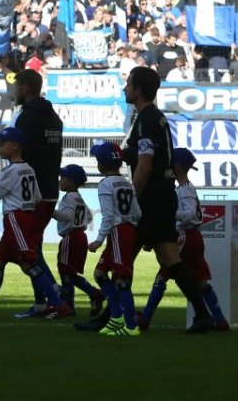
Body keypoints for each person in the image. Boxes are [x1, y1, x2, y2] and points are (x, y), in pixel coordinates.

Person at [118, 66, 213, 333]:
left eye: (128, 84)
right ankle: (204, 315)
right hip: (162, 196)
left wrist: (132, 198)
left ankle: (114, 316)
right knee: (170, 258)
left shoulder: (148, 118)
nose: (125, 88)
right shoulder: (153, 117)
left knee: (122, 255)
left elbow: (146, 164)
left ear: (138, 89)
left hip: (150, 198)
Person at [0, 127, 71, 320]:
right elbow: (36, 198)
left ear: (15, 145)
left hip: (14, 220)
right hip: (22, 219)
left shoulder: (9, 172)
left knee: (29, 264)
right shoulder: (28, 169)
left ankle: (59, 304)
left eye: (2, 144)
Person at [138, 147, 230, 331]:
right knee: (200, 281)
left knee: (162, 275)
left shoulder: (184, 189)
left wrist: (171, 214)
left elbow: (190, 215)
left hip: (185, 236)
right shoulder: (187, 187)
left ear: (177, 166)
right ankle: (219, 320)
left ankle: (145, 318)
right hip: (195, 237)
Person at [10, 68, 64, 319]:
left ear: (24, 88)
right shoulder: (54, 118)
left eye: (15, 86)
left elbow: (20, 156)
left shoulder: (26, 119)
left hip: (31, 194)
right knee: (35, 248)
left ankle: (54, 294)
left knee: (28, 251)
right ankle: (42, 302)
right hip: (51, 189)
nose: (13, 91)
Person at [88, 141, 142, 337]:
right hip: (126, 231)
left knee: (120, 279)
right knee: (100, 274)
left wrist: (99, 239)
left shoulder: (105, 184)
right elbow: (137, 212)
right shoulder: (126, 183)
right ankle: (117, 317)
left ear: (101, 164)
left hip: (117, 232)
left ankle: (129, 325)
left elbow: (108, 215)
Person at [52, 164, 104, 317]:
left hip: (71, 237)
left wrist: (50, 211)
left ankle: (71, 304)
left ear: (72, 181)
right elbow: (88, 216)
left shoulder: (69, 197)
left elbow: (66, 216)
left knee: (66, 271)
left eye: (63, 178)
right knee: (70, 272)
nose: (60, 181)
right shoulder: (79, 198)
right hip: (80, 235)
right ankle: (90, 295)